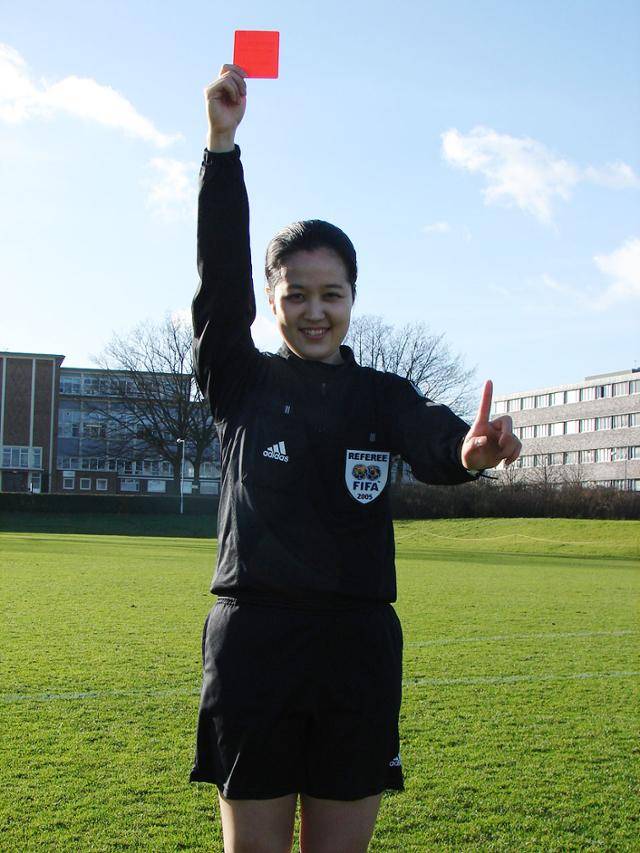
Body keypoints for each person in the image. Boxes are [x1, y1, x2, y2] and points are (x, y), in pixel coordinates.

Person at [189, 63, 522, 853]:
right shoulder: (240, 382)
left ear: (352, 299)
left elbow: (438, 439)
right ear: (272, 304)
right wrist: (222, 147)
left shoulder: (382, 394)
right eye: (296, 294)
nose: (314, 310)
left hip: (357, 649)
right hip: (256, 642)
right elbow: (219, 282)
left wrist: (470, 450)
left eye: (330, 293)